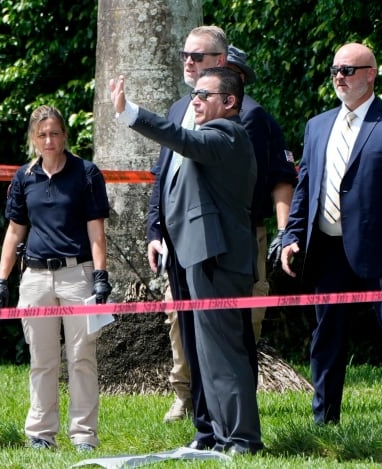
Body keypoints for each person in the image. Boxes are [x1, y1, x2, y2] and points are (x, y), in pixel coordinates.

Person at [110, 66, 263, 455]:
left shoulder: (227, 134)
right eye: (193, 94)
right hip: (196, 256)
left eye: (203, 96)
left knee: (224, 353)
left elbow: (179, 138)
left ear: (228, 102)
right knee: (207, 353)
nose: (193, 101)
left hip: (218, 258)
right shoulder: (211, 134)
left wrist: (131, 113)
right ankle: (221, 435)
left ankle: (243, 440)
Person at [281, 43, 382, 425]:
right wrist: (290, 235)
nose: (339, 76)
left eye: (348, 69)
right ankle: (324, 422)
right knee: (326, 338)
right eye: (335, 69)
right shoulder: (317, 126)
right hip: (327, 248)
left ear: (370, 74)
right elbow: (306, 188)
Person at [0, 105, 111, 452]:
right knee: (42, 360)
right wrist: (2, 278)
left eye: (54, 133)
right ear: (33, 138)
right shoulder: (24, 178)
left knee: (82, 359)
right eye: (42, 134)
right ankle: (41, 434)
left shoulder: (86, 174)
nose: (49, 140)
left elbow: (96, 231)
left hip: (78, 274)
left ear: (64, 136)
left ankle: (84, 436)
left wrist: (101, 275)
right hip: (36, 278)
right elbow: (15, 232)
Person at [146, 26, 228, 436]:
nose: (189, 62)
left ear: (221, 62)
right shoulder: (180, 107)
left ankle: (229, 425)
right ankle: (203, 425)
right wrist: (153, 231)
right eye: (185, 55)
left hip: (216, 245)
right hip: (175, 244)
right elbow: (161, 177)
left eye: (197, 56)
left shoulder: (237, 113)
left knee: (220, 339)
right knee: (190, 336)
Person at [225, 45, 297, 342]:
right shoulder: (188, 114)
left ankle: (243, 381)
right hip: (199, 234)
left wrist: (284, 232)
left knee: (249, 313)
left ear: (241, 78)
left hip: (247, 232)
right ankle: (187, 388)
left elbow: (282, 178)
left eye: (227, 72)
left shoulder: (258, 118)